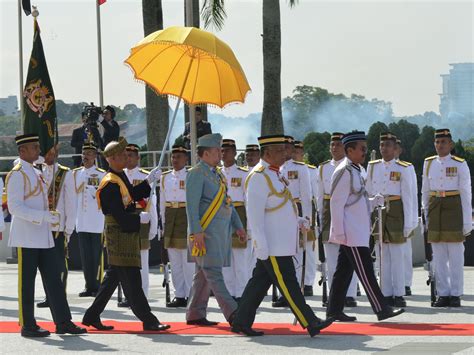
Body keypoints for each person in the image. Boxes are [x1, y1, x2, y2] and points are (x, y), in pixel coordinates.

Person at [231, 134, 334, 337]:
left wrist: (298, 221)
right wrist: (261, 245)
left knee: (258, 284)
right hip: (272, 246)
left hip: (280, 243)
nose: (285, 153)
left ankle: (241, 321)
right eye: (279, 150)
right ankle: (310, 321)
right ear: (267, 153)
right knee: (289, 284)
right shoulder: (259, 177)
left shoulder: (275, 174)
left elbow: (279, 208)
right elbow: (255, 215)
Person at [82, 137, 168, 331]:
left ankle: (91, 315)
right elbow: (120, 215)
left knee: (112, 279)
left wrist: (148, 181)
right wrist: (139, 220)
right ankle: (149, 320)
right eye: (121, 155)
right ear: (111, 159)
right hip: (119, 234)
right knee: (133, 281)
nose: (125, 158)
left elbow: (132, 195)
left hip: (123, 233)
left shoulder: (119, 177)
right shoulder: (110, 182)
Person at [6, 134, 86, 337]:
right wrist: (42, 216)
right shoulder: (17, 174)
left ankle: (63, 322)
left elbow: (48, 168)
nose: (38, 151)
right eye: (34, 148)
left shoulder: (35, 171)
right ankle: (28, 325)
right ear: (22, 151)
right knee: (27, 282)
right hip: (27, 236)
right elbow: (15, 208)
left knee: (54, 279)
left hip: (43, 235)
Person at [326, 131, 405, 322]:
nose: (364, 151)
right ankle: (381, 308)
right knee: (366, 270)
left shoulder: (357, 170)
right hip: (350, 232)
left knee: (343, 272)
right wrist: (339, 232)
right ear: (350, 150)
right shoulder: (344, 171)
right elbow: (336, 204)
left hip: (358, 229)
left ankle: (334, 310)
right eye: (361, 148)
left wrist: (372, 201)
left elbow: (356, 201)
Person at [185, 133, 246, 326]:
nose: (221, 153)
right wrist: (196, 233)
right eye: (218, 150)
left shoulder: (217, 174)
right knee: (213, 272)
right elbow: (191, 207)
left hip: (219, 233)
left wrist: (238, 226)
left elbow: (227, 202)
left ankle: (195, 313)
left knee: (203, 276)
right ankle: (234, 314)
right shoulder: (196, 173)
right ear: (207, 153)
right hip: (206, 233)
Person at [422, 128, 472, 307]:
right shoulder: (428, 163)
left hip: (454, 207)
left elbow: (466, 193)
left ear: (450, 144)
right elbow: (425, 191)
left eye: (443, 142)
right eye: (437, 142)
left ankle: (456, 293)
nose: (440, 145)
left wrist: (467, 220)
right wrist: (426, 215)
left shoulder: (459, 163)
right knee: (438, 254)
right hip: (435, 207)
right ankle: (443, 293)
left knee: (456, 253)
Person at [366, 132, 416, 308]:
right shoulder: (372, 166)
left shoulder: (404, 167)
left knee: (397, 255)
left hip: (396, 211)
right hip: (379, 211)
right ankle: (386, 293)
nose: (384, 148)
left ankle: (399, 293)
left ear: (395, 149)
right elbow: (368, 192)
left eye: (388, 145)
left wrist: (409, 223)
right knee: (382, 255)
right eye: (382, 145)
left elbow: (409, 197)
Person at [316, 133, 359, 308]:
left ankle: (349, 294)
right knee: (331, 258)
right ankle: (335, 295)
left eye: (338, 145)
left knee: (349, 257)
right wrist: (319, 219)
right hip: (328, 213)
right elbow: (320, 196)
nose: (334, 148)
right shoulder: (323, 168)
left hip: (348, 211)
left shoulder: (352, 167)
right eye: (332, 145)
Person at [36, 145, 77, 309]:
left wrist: (68, 228)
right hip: (41, 226)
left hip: (58, 227)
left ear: (57, 153)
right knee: (45, 265)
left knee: (59, 264)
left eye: (52, 152)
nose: (49, 156)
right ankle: (49, 295)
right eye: (46, 152)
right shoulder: (37, 171)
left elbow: (71, 203)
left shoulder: (65, 173)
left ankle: (60, 296)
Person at [273, 136, 312, 306]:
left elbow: (306, 195)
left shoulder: (300, 168)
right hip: (278, 212)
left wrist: (307, 219)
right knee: (281, 252)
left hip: (296, 209)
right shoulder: (274, 169)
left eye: (288, 148)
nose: (285, 151)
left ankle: (293, 291)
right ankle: (284, 291)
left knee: (295, 252)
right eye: (282, 148)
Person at [121, 143, 159, 304]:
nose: (128, 158)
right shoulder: (119, 176)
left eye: (131, 155)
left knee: (142, 262)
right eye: (126, 155)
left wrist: (153, 226)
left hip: (141, 218)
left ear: (138, 158)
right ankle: (128, 295)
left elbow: (152, 202)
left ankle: (142, 295)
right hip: (124, 218)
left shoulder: (145, 176)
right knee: (125, 260)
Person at [160, 144, 194, 308]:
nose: (175, 160)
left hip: (185, 216)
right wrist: (162, 223)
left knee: (187, 261)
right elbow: (161, 202)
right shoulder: (165, 177)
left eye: (178, 157)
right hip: (170, 216)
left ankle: (190, 294)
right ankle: (179, 295)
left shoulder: (191, 175)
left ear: (185, 159)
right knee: (174, 261)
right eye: (173, 157)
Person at [220, 139, 252, 302]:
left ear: (234, 153)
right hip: (221, 216)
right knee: (226, 260)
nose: (224, 154)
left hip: (239, 213)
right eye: (222, 151)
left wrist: (249, 226)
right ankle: (230, 292)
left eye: (227, 151)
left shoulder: (243, 173)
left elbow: (248, 201)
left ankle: (242, 293)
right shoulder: (216, 173)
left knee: (240, 259)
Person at [73, 143, 106, 297]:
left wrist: (93, 191)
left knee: (96, 255)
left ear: (94, 156)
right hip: (81, 220)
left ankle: (97, 286)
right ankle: (88, 285)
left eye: (88, 153)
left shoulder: (101, 174)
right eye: (83, 153)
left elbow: (104, 197)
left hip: (96, 220)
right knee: (85, 256)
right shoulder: (75, 174)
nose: (85, 156)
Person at [292, 140, 318, 297]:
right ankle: (296, 280)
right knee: (294, 248)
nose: (295, 154)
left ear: (302, 154)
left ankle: (308, 282)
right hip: (291, 209)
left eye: (298, 152)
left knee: (308, 248)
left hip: (306, 208)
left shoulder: (311, 170)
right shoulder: (284, 168)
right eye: (293, 151)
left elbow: (314, 194)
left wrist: (311, 218)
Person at [395, 138, 418, 296]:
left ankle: (405, 283)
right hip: (385, 217)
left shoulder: (407, 168)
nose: (392, 150)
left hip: (403, 215)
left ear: (400, 150)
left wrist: (411, 219)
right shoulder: (377, 166)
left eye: (395, 147)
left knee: (405, 252)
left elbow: (412, 194)